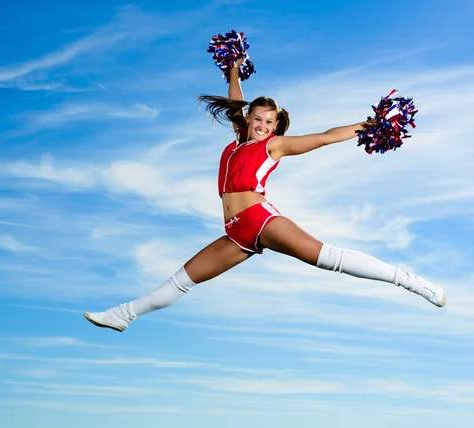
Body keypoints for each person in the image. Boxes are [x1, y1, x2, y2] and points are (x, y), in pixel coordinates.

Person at [83, 60, 446, 332]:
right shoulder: (239, 139)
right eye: (257, 119)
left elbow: (323, 137)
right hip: (235, 231)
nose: (261, 126)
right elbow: (235, 103)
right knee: (182, 280)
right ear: (250, 119)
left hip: (261, 218)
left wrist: (368, 126)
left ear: (276, 125)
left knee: (326, 258)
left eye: (268, 122)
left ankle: (410, 281)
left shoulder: (274, 146)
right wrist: (233, 72)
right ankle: (124, 316)